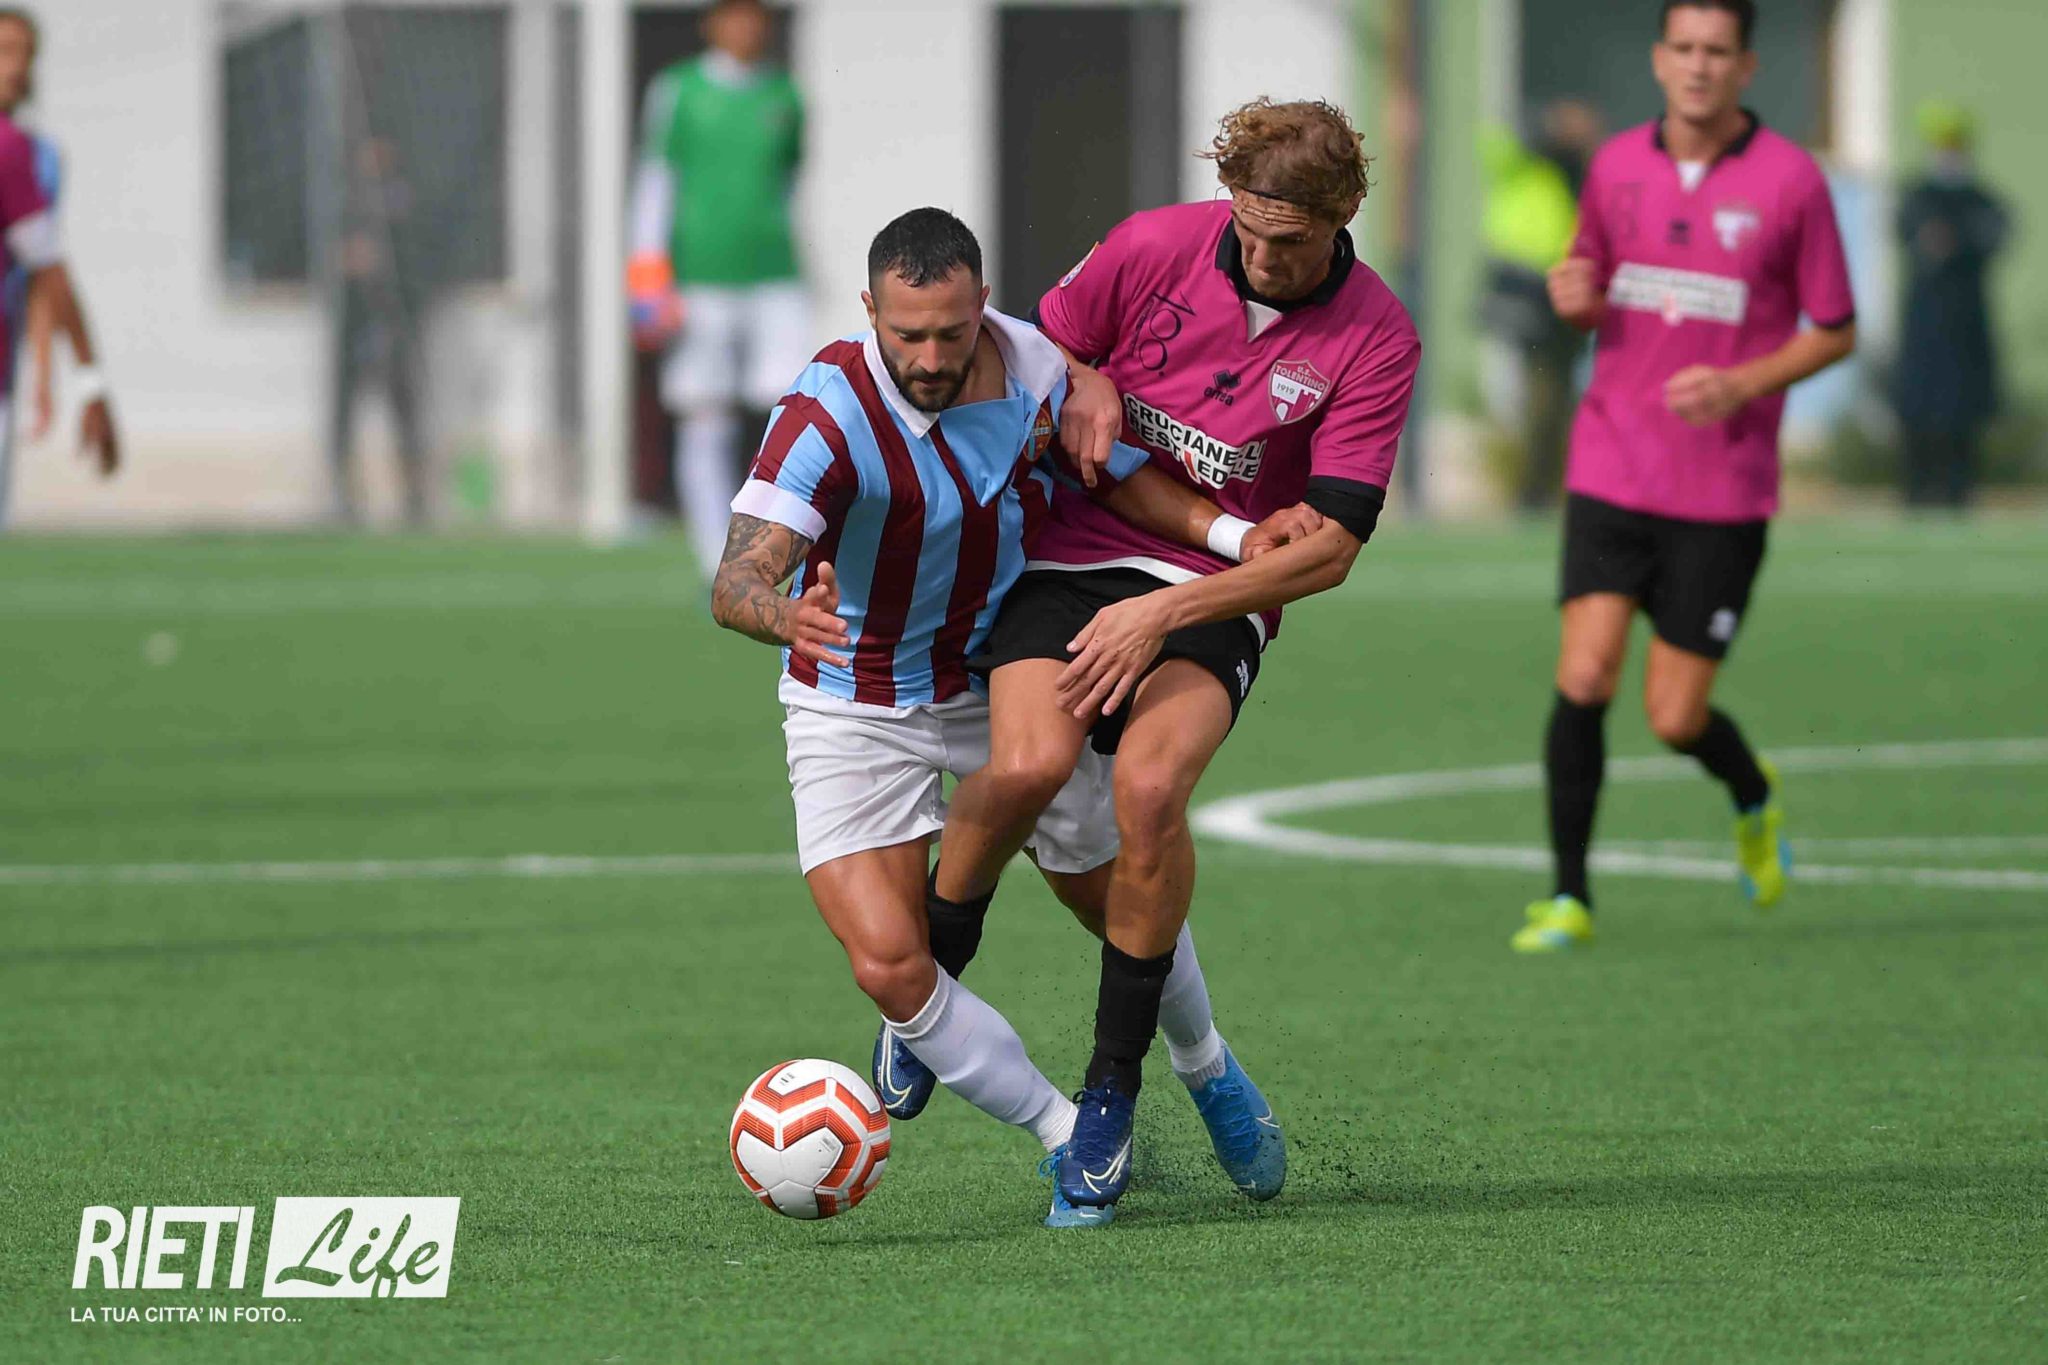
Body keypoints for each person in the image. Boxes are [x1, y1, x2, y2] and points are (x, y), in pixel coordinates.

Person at [709, 208, 1319, 1228]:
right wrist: (785, 616)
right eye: (907, 334)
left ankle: (1206, 1064)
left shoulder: (1035, 370)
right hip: (850, 702)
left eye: (950, 332)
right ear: (868, 312)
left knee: (1118, 897)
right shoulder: (824, 413)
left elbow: (1118, 480)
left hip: (997, 677)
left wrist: (1232, 535)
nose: (930, 358)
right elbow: (736, 579)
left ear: (982, 307)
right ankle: (1066, 1130)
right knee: (890, 964)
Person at [912, 97, 1420, 1216]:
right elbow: (1028, 346)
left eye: (1291, 240)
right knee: (1027, 771)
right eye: (1249, 229)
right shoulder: (1151, 246)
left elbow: (1330, 550)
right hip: (1070, 551)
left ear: (1345, 213)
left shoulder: (1377, 335)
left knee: (1149, 792)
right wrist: (1082, 374)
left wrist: (1168, 610)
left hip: (1217, 591)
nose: (1263, 257)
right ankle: (925, 995)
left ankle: (1112, 1096)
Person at [1514, 0, 1856, 953]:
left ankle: (1750, 791)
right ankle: (1569, 896)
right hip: (1611, 461)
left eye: (1718, 51)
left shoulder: (1792, 181)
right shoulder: (1615, 165)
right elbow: (1589, 278)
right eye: (1685, 48)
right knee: (1585, 672)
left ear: (1746, 67)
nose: (1699, 65)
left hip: (1722, 488)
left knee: (1674, 716)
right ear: (1661, 59)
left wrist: (1743, 382)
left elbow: (1837, 328)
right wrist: (1572, 295)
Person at [631, 0, 808, 578]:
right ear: (711, 22)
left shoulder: (786, 95)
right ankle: (717, 562)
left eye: (755, 15)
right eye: (734, 14)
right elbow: (656, 182)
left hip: (775, 275)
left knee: (792, 411)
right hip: (699, 279)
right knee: (704, 414)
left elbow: (789, 184)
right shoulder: (678, 91)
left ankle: (783, 546)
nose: (745, 26)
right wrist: (648, 278)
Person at [0, 5, 116, 520]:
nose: (16, 66)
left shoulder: (26, 155)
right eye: (4, 51)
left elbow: (41, 275)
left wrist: (46, 375)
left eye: (25, 55)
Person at [1895, 102, 2009, 509]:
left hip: (1967, 321)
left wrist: (1955, 242)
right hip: (1924, 321)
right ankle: (1917, 490)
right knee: (1919, 408)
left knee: (1964, 409)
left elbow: (1995, 235)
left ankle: (1961, 489)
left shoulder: (1982, 199)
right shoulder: (1917, 195)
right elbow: (1905, 231)